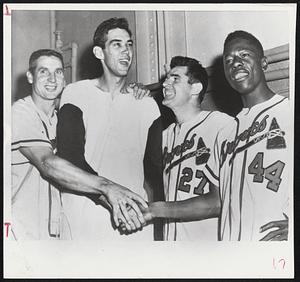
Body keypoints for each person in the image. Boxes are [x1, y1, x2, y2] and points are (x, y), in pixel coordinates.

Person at [11, 49, 149, 240]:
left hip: (56, 233)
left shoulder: (64, 116)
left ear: (64, 79)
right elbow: (47, 163)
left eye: (58, 72)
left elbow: (77, 171)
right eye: (43, 72)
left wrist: (118, 205)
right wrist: (108, 187)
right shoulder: (20, 113)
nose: (52, 79)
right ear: (30, 77)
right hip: (22, 230)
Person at [57, 17, 160, 240]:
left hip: (134, 224)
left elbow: (156, 171)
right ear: (99, 53)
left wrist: (148, 213)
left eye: (129, 44)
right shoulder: (75, 93)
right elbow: (71, 158)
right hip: (84, 221)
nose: (126, 51)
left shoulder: (147, 104)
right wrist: (114, 201)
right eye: (117, 44)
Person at [120, 56, 233, 240]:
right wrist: (133, 97)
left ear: (195, 88)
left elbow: (220, 200)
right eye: (166, 78)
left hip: (206, 246)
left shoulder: (221, 124)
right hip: (172, 243)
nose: (165, 83)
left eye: (175, 78)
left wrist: (156, 209)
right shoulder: (164, 135)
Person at [202, 30, 290, 241]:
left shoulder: (289, 112)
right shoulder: (225, 132)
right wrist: (154, 210)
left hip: (272, 255)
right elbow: (216, 201)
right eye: (228, 60)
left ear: (264, 63)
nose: (236, 63)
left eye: (244, 55)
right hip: (231, 258)